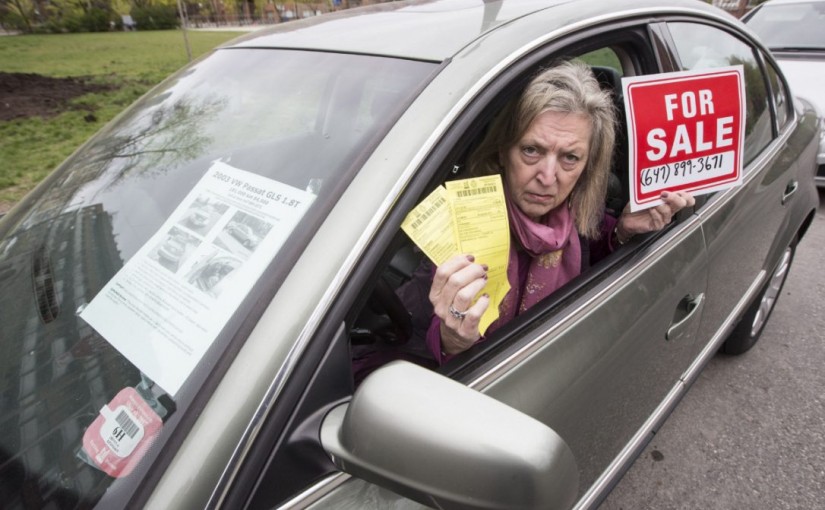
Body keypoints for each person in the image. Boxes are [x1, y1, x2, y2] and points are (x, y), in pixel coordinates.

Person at [424, 60, 695, 364]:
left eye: (570, 157)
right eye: (531, 150)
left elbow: (594, 250)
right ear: (503, 151)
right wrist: (454, 339)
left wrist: (622, 232)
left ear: (586, 166)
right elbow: (441, 339)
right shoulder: (462, 225)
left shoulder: (579, 216)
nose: (548, 177)